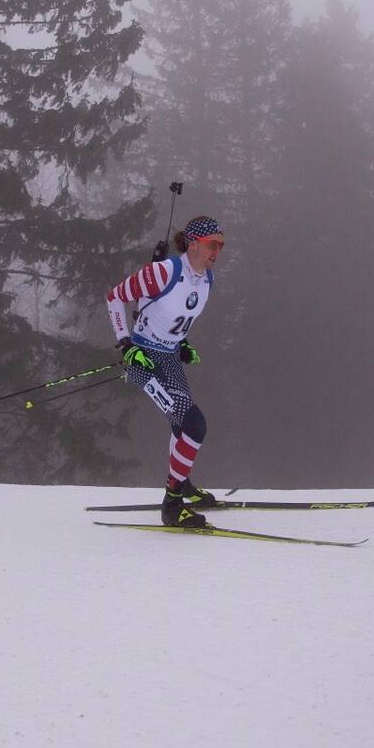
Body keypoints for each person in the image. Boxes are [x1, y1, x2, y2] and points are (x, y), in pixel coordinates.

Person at [104, 215, 225, 528]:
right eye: (212, 244)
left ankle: (181, 482)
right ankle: (172, 505)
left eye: (221, 245)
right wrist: (125, 344)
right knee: (193, 425)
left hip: (169, 358)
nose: (217, 251)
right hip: (145, 360)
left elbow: (174, 316)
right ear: (193, 244)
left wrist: (182, 343)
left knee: (181, 426)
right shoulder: (163, 272)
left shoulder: (207, 279)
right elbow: (114, 298)